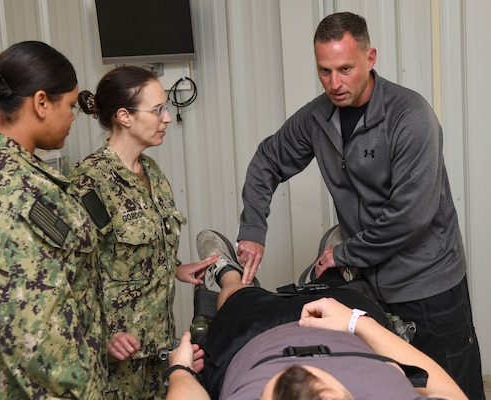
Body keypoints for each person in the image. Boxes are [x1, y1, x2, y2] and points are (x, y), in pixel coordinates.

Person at [235, 11, 484, 399]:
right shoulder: (317, 117)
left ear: (370, 59)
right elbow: (268, 159)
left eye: (346, 69)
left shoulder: (410, 116)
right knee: (388, 388)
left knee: (450, 387)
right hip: (370, 289)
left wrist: (344, 253)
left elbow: (410, 215)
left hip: (429, 288)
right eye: (324, 71)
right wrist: (253, 231)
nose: (335, 83)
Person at [0, 41, 106, 399]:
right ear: (42, 102)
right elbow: (35, 329)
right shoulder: (10, 188)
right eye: (70, 105)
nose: (73, 117)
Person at [164, 230, 468, 400]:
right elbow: (448, 393)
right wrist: (354, 321)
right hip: (342, 330)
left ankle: (227, 272)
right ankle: (331, 270)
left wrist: (179, 370)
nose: (295, 379)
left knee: (237, 299)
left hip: (251, 339)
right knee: (342, 292)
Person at [70, 65, 218, 400]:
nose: (167, 118)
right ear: (124, 116)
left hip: (156, 351)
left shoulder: (151, 171)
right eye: (157, 110)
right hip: (114, 364)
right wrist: (102, 337)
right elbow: (73, 276)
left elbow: (128, 251)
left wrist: (175, 267)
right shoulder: (90, 181)